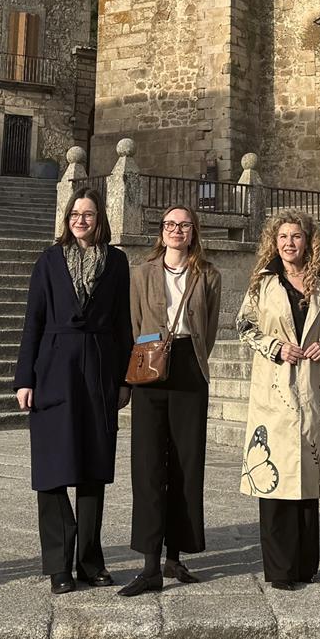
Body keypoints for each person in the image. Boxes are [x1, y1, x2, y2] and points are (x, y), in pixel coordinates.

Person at [15, 185, 132, 593]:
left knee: (93, 468)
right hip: (53, 368)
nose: (81, 220)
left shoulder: (117, 262)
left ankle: (90, 560)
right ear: (67, 220)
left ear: (100, 219)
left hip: (99, 367)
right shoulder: (48, 261)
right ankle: (58, 564)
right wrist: (24, 378)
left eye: (89, 214)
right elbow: (33, 320)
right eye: (75, 214)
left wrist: (123, 380)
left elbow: (123, 325)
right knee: (52, 469)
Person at [236, 211, 320, 589]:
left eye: (295, 236)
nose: (288, 243)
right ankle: (280, 569)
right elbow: (244, 326)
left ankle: (305, 564)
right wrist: (275, 347)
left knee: (308, 476)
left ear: (308, 241)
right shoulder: (263, 282)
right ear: (274, 241)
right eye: (282, 237)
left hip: (314, 386)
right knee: (276, 477)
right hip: (275, 387)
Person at [121, 204, 222, 596]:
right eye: (169, 225)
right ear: (160, 232)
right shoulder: (141, 273)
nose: (176, 231)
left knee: (186, 462)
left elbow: (209, 328)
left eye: (183, 225)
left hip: (189, 367)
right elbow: (133, 323)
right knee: (148, 464)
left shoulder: (207, 275)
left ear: (193, 231)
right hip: (149, 366)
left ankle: (175, 556)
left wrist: (191, 359)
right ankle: (149, 563)